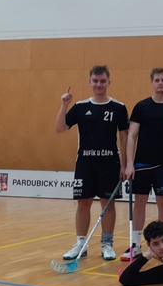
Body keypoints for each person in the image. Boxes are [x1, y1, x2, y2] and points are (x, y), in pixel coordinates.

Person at [55, 65, 129, 261]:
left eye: (102, 81)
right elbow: (60, 128)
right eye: (95, 81)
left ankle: (107, 244)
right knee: (83, 203)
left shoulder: (118, 107)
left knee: (108, 204)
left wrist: (125, 164)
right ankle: (81, 243)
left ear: (108, 82)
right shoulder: (80, 107)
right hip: (85, 163)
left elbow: (124, 137)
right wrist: (64, 105)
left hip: (109, 163)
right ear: (89, 82)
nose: (99, 84)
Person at [123, 68, 163, 260]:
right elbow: (131, 136)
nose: (160, 83)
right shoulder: (141, 106)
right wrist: (129, 164)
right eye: (157, 80)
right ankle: (135, 245)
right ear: (152, 82)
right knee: (139, 204)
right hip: (141, 165)